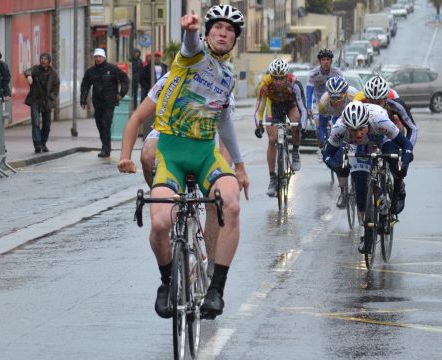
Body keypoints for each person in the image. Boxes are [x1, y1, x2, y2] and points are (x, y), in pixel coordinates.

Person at [117, 5, 249, 320]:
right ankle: (166, 281)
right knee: (161, 223)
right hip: (172, 152)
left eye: (230, 30)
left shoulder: (228, 75)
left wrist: (240, 166)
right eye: (217, 27)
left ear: (234, 40)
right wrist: (189, 29)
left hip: (206, 153)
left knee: (230, 204)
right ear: (207, 33)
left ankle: (216, 289)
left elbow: (226, 122)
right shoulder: (193, 57)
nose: (223, 32)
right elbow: (191, 44)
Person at [322, 101, 413, 253]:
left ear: (367, 124)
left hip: (381, 137)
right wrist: (337, 168)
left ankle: (397, 187)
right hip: (356, 147)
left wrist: (404, 163)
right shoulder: (339, 129)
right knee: (360, 185)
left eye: (361, 129)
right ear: (347, 127)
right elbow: (327, 155)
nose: (358, 134)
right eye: (353, 130)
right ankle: (367, 233)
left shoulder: (379, 121)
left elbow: (407, 146)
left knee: (393, 159)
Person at [358, 75, 418, 214]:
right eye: (370, 101)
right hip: (367, 134)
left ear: (386, 99)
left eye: (378, 102)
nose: (373, 105)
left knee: (394, 159)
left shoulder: (396, 105)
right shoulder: (359, 102)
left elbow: (413, 128)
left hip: (388, 132)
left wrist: (406, 152)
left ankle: (398, 187)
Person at [254, 58, 306, 197]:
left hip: (290, 104)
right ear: (270, 76)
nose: (278, 82)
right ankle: (272, 179)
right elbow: (259, 108)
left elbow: (303, 108)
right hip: (274, 106)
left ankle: (295, 152)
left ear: (286, 76)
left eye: (281, 78)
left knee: (295, 120)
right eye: (275, 78)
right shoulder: (264, 85)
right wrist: (258, 125)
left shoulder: (294, 83)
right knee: (272, 140)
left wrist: (303, 125)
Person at [80, 48, 130, 158]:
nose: (97, 59)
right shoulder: (91, 71)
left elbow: (125, 79)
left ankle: (106, 148)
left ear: (104, 57)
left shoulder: (112, 69)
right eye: (96, 57)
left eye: (100, 57)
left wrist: (121, 93)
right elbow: (85, 86)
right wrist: (83, 99)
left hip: (110, 101)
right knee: (99, 125)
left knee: (106, 123)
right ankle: (105, 145)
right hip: (97, 102)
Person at [317, 76, 358, 208]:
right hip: (336, 120)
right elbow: (322, 126)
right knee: (338, 155)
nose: (336, 102)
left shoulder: (354, 96)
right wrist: (325, 140)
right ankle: (343, 191)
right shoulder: (324, 102)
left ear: (345, 94)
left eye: (339, 98)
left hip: (353, 119)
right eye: (333, 98)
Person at [24, 53, 60, 153]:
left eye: (45, 59)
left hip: (47, 101)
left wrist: (51, 98)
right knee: (35, 122)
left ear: (49, 61)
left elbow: (56, 88)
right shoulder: (36, 69)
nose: (43, 60)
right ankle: (37, 144)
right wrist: (29, 76)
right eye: (41, 59)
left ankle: (43, 143)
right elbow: (28, 71)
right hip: (35, 100)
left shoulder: (53, 74)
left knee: (47, 125)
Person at [306, 49, 343, 145]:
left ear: (331, 61)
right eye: (323, 59)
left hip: (333, 101)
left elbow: (343, 90)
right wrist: (309, 107)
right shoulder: (313, 74)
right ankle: (323, 146)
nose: (326, 62)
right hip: (318, 102)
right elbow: (309, 91)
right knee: (319, 126)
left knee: (337, 125)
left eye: (328, 59)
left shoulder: (337, 73)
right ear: (320, 62)